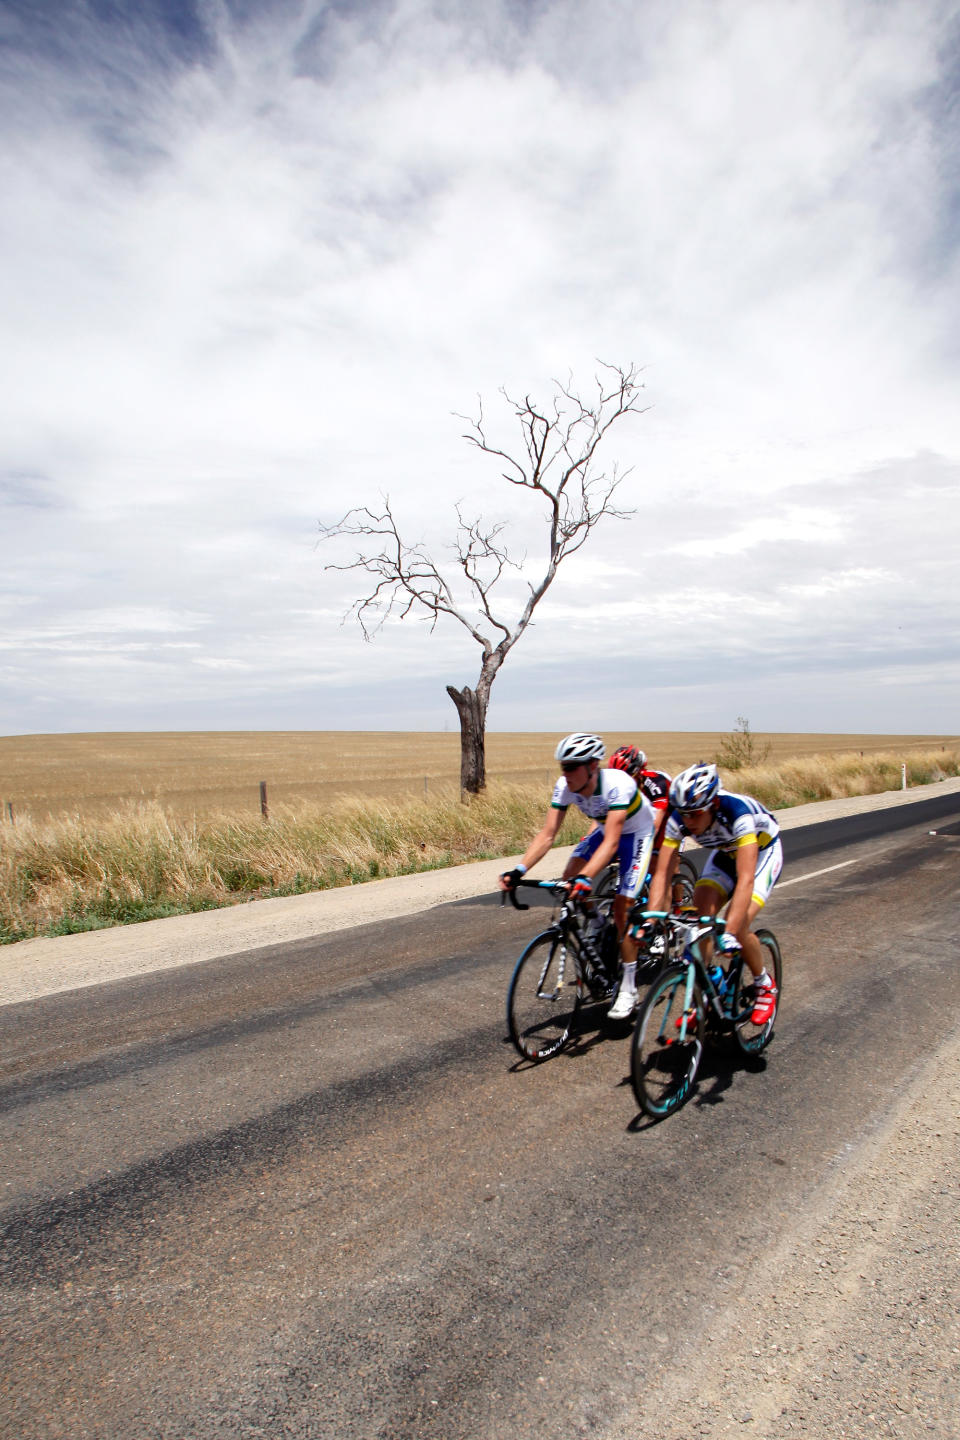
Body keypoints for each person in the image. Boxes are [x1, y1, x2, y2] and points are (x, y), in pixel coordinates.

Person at [498, 732, 656, 1020]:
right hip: (604, 830)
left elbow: (612, 843)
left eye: (572, 766)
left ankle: (629, 989)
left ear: (592, 766)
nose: (566, 773)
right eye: (563, 766)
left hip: (635, 835)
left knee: (621, 909)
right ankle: (596, 921)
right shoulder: (565, 786)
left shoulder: (617, 786)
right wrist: (518, 871)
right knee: (568, 875)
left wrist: (586, 877)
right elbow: (548, 835)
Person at [642, 761, 782, 1025]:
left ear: (713, 805)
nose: (688, 821)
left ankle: (764, 984)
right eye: (684, 814)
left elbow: (746, 880)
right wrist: (651, 921)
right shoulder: (678, 819)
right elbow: (661, 875)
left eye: (695, 814)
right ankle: (708, 993)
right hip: (725, 853)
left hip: (762, 853)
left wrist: (729, 934)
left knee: (738, 923)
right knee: (700, 917)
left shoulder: (737, 814)